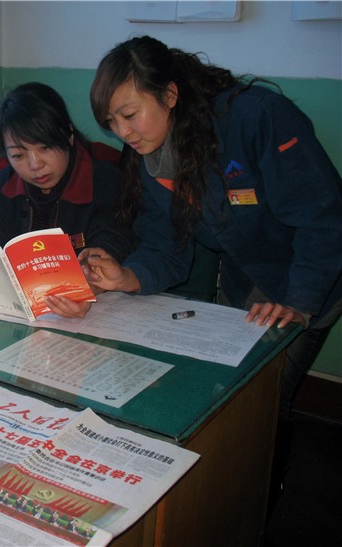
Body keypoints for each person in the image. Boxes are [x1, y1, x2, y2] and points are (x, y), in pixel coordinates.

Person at [84, 35, 342, 502]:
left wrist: (299, 304)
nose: (123, 132)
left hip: (313, 272)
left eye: (129, 114)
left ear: (169, 94)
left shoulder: (256, 117)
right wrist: (126, 277)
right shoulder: (151, 156)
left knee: (263, 401)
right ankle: (223, 502)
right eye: (111, 122)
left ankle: (260, 506)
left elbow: (323, 219)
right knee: (225, 395)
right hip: (250, 279)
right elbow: (165, 245)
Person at [0, 82, 135, 318]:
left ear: (69, 136)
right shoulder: (5, 183)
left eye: (45, 147)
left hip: (98, 314)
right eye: (18, 155)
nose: (35, 165)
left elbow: (115, 241)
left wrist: (89, 286)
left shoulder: (106, 182)